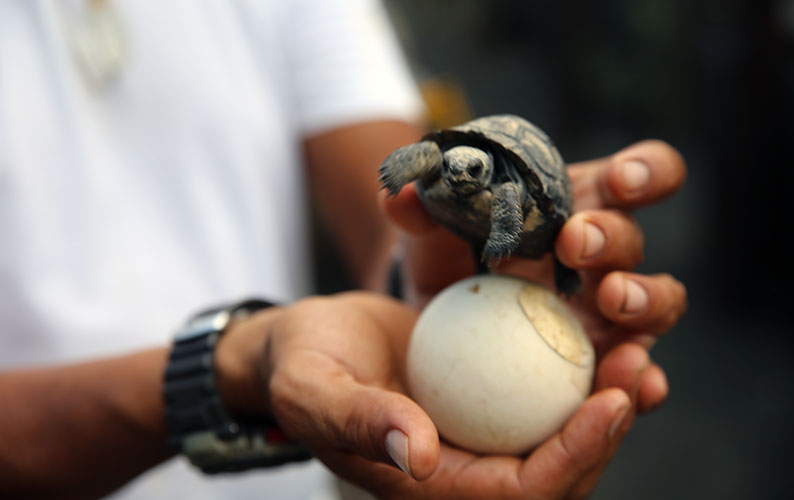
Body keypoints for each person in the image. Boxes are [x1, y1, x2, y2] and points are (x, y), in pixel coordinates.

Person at [0, 1, 687, 499]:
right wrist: (237, 366)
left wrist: (416, 281)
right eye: (457, 168)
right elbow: (412, 165)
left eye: (472, 170)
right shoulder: (445, 162)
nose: (462, 173)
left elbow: (386, 213)